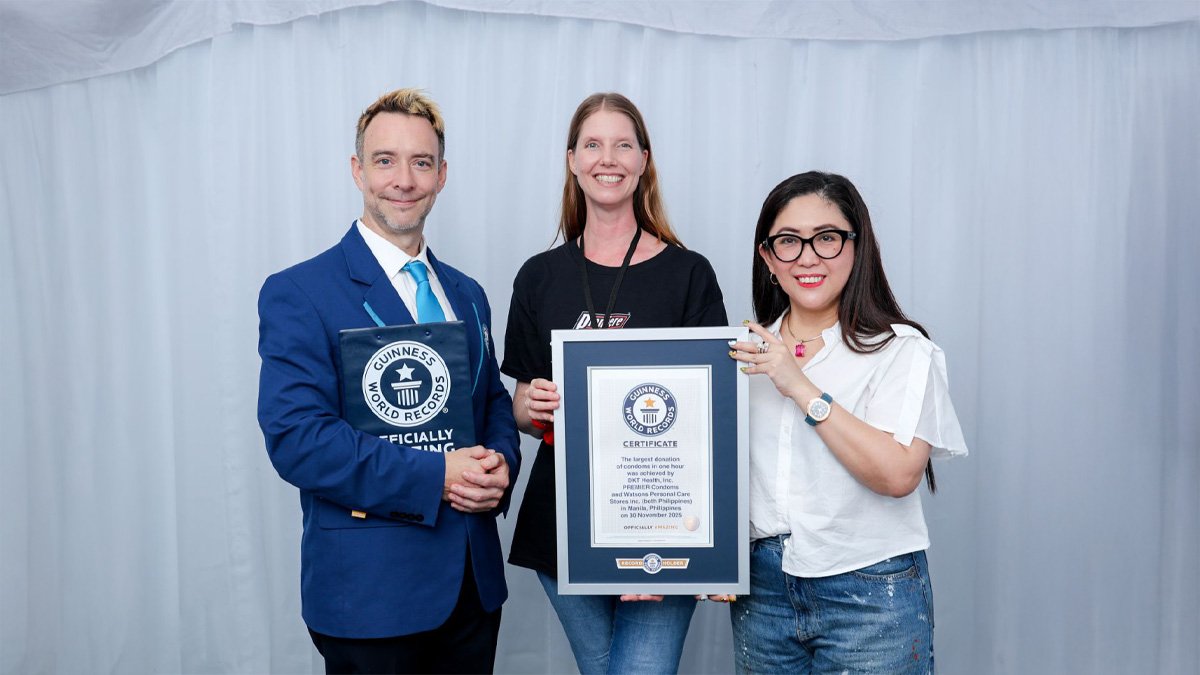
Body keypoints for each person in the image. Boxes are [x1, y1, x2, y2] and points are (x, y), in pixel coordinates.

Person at [256, 88, 519, 674]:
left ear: (442, 175)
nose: (404, 179)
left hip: (472, 589)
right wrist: (438, 476)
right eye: (385, 160)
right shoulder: (300, 292)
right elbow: (299, 440)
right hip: (370, 596)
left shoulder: (467, 294)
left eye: (421, 162)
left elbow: (493, 402)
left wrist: (500, 463)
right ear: (357, 170)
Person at [502, 92, 728, 674]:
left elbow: (710, 417)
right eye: (593, 144)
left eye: (623, 144)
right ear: (572, 160)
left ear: (644, 159)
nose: (609, 158)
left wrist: (652, 546)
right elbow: (521, 410)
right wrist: (533, 403)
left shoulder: (689, 274)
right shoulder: (539, 276)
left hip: (663, 518)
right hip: (563, 519)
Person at [727, 171, 968, 673]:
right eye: (788, 242)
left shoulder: (902, 351)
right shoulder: (739, 356)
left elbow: (899, 474)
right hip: (763, 592)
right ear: (768, 258)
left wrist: (800, 386)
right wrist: (707, 554)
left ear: (857, 248)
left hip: (870, 592)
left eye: (828, 238)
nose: (808, 256)